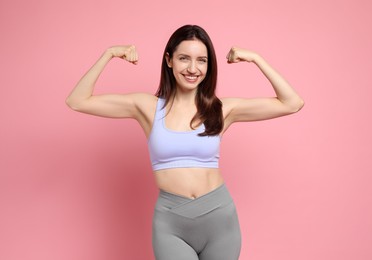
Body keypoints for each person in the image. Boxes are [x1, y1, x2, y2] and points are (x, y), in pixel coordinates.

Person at [66, 24, 304, 260]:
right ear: (169, 60)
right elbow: (77, 100)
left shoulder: (221, 109)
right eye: (184, 58)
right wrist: (108, 54)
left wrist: (256, 58)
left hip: (220, 220)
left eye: (202, 60)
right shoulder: (148, 107)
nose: (193, 68)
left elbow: (291, 103)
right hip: (171, 223)